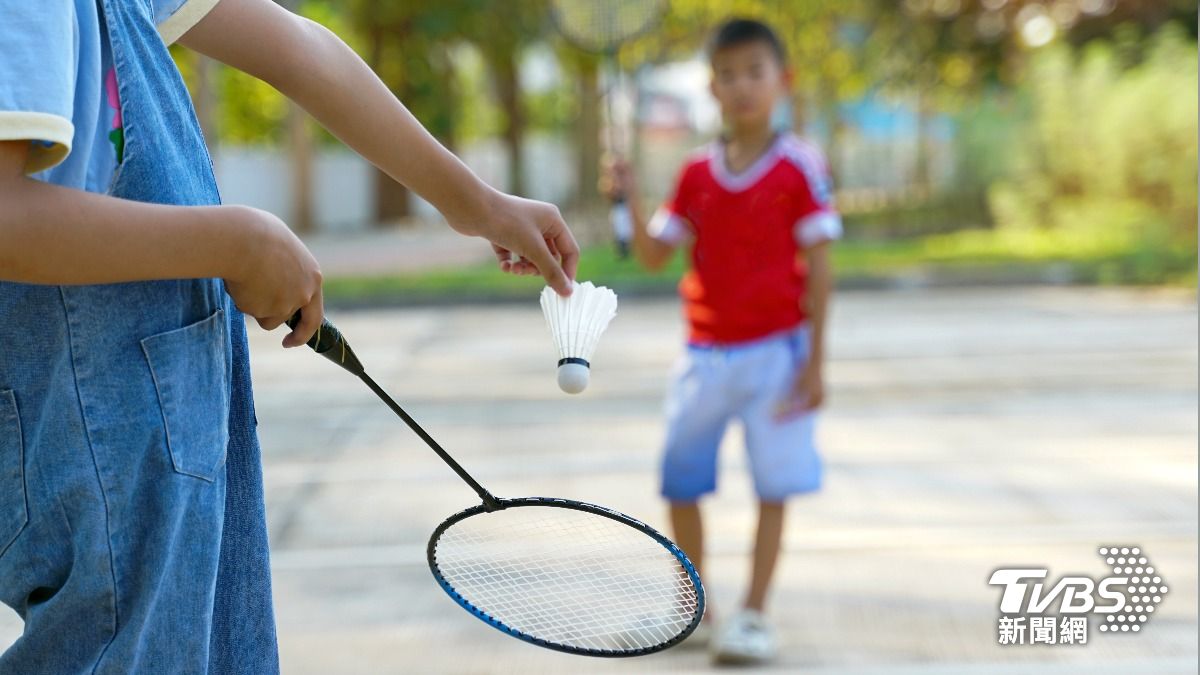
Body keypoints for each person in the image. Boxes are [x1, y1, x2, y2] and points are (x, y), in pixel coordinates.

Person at [0, 1, 578, 672]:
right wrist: (238, 242)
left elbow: (301, 49)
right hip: (94, 421)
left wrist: (480, 206)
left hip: (165, 415)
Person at [602, 17, 840, 665]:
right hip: (704, 355)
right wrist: (629, 192)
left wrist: (815, 361)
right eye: (728, 75)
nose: (742, 86)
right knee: (680, 480)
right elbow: (653, 255)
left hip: (777, 355)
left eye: (754, 72)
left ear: (782, 81)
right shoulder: (696, 174)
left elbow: (820, 267)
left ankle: (754, 614)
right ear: (712, 87)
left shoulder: (800, 168)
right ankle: (694, 610)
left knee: (773, 487)